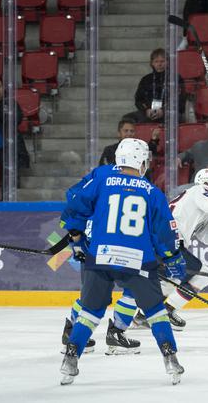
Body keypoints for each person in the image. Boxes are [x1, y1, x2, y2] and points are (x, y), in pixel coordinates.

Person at [58, 138, 184, 385]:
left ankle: (70, 359)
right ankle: (171, 359)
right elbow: (164, 233)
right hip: (137, 259)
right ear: (140, 161)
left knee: (91, 312)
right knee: (156, 311)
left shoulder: (102, 176)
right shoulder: (151, 191)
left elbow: (75, 200)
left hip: (101, 256)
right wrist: (172, 257)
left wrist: (75, 236)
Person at [133, 169, 208, 331]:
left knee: (178, 278)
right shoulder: (198, 191)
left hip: (162, 241)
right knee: (199, 275)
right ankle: (166, 311)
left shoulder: (200, 207)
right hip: (164, 240)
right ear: (207, 184)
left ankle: (144, 315)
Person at [123, 49, 186, 124]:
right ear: (152, 63)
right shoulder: (146, 79)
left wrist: (163, 111)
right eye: (156, 61)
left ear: (168, 62)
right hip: (149, 113)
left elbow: (180, 100)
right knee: (127, 118)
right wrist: (146, 110)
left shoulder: (176, 78)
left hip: (168, 113)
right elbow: (138, 100)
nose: (159, 64)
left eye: (162, 61)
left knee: (176, 118)